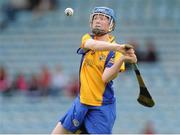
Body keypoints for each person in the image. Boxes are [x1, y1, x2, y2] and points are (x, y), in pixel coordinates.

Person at [51, 7, 137, 134]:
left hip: (101, 107)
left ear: (110, 24)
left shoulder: (116, 53)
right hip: (82, 101)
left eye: (102, 18)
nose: (98, 21)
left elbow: (106, 77)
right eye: (95, 18)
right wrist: (119, 47)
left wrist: (122, 58)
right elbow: (93, 46)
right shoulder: (88, 39)